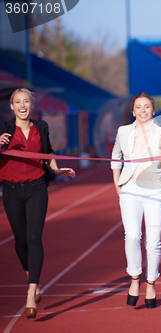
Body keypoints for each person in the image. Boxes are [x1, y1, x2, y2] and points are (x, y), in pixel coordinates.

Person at [0, 88, 76, 319]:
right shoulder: (3, 129)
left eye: (26, 102)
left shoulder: (41, 127)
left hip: (36, 188)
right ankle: (31, 277)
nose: (22, 105)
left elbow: (48, 152)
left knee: (34, 237)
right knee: (21, 242)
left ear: (31, 106)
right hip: (11, 190)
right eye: (17, 102)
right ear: (11, 107)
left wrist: (57, 169)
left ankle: (31, 291)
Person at [111, 92, 161, 309]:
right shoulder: (123, 131)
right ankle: (134, 279)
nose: (143, 111)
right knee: (132, 236)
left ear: (153, 110)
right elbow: (115, 156)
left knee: (153, 242)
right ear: (133, 110)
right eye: (139, 107)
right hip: (130, 189)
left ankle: (151, 284)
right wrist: (117, 184)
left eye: (147, 107)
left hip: (155, 190)